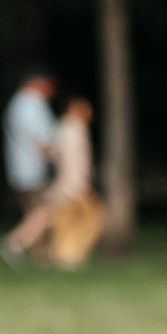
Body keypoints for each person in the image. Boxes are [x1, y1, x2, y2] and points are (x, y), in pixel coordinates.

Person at [0, 68, 58, 266]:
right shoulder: (32, 105)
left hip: (20, 170)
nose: (51, 90)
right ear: (36, 83)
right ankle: (13, 243)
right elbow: (43, 141)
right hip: (34, 170)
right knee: (45, 213)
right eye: (49, 84)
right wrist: (59, 160)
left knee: (32, 214)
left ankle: (41, 258)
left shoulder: (16, 104)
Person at [43, 98, 105, 269]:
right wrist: (83, 185)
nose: (90, 115)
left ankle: (64, 255)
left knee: (61, 220)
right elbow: (77, 161)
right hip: (73, 183)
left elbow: (54, 155)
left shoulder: (61, 128)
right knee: (85, 220)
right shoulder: (75, 129)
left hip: (66, 182)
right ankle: (69, 256)